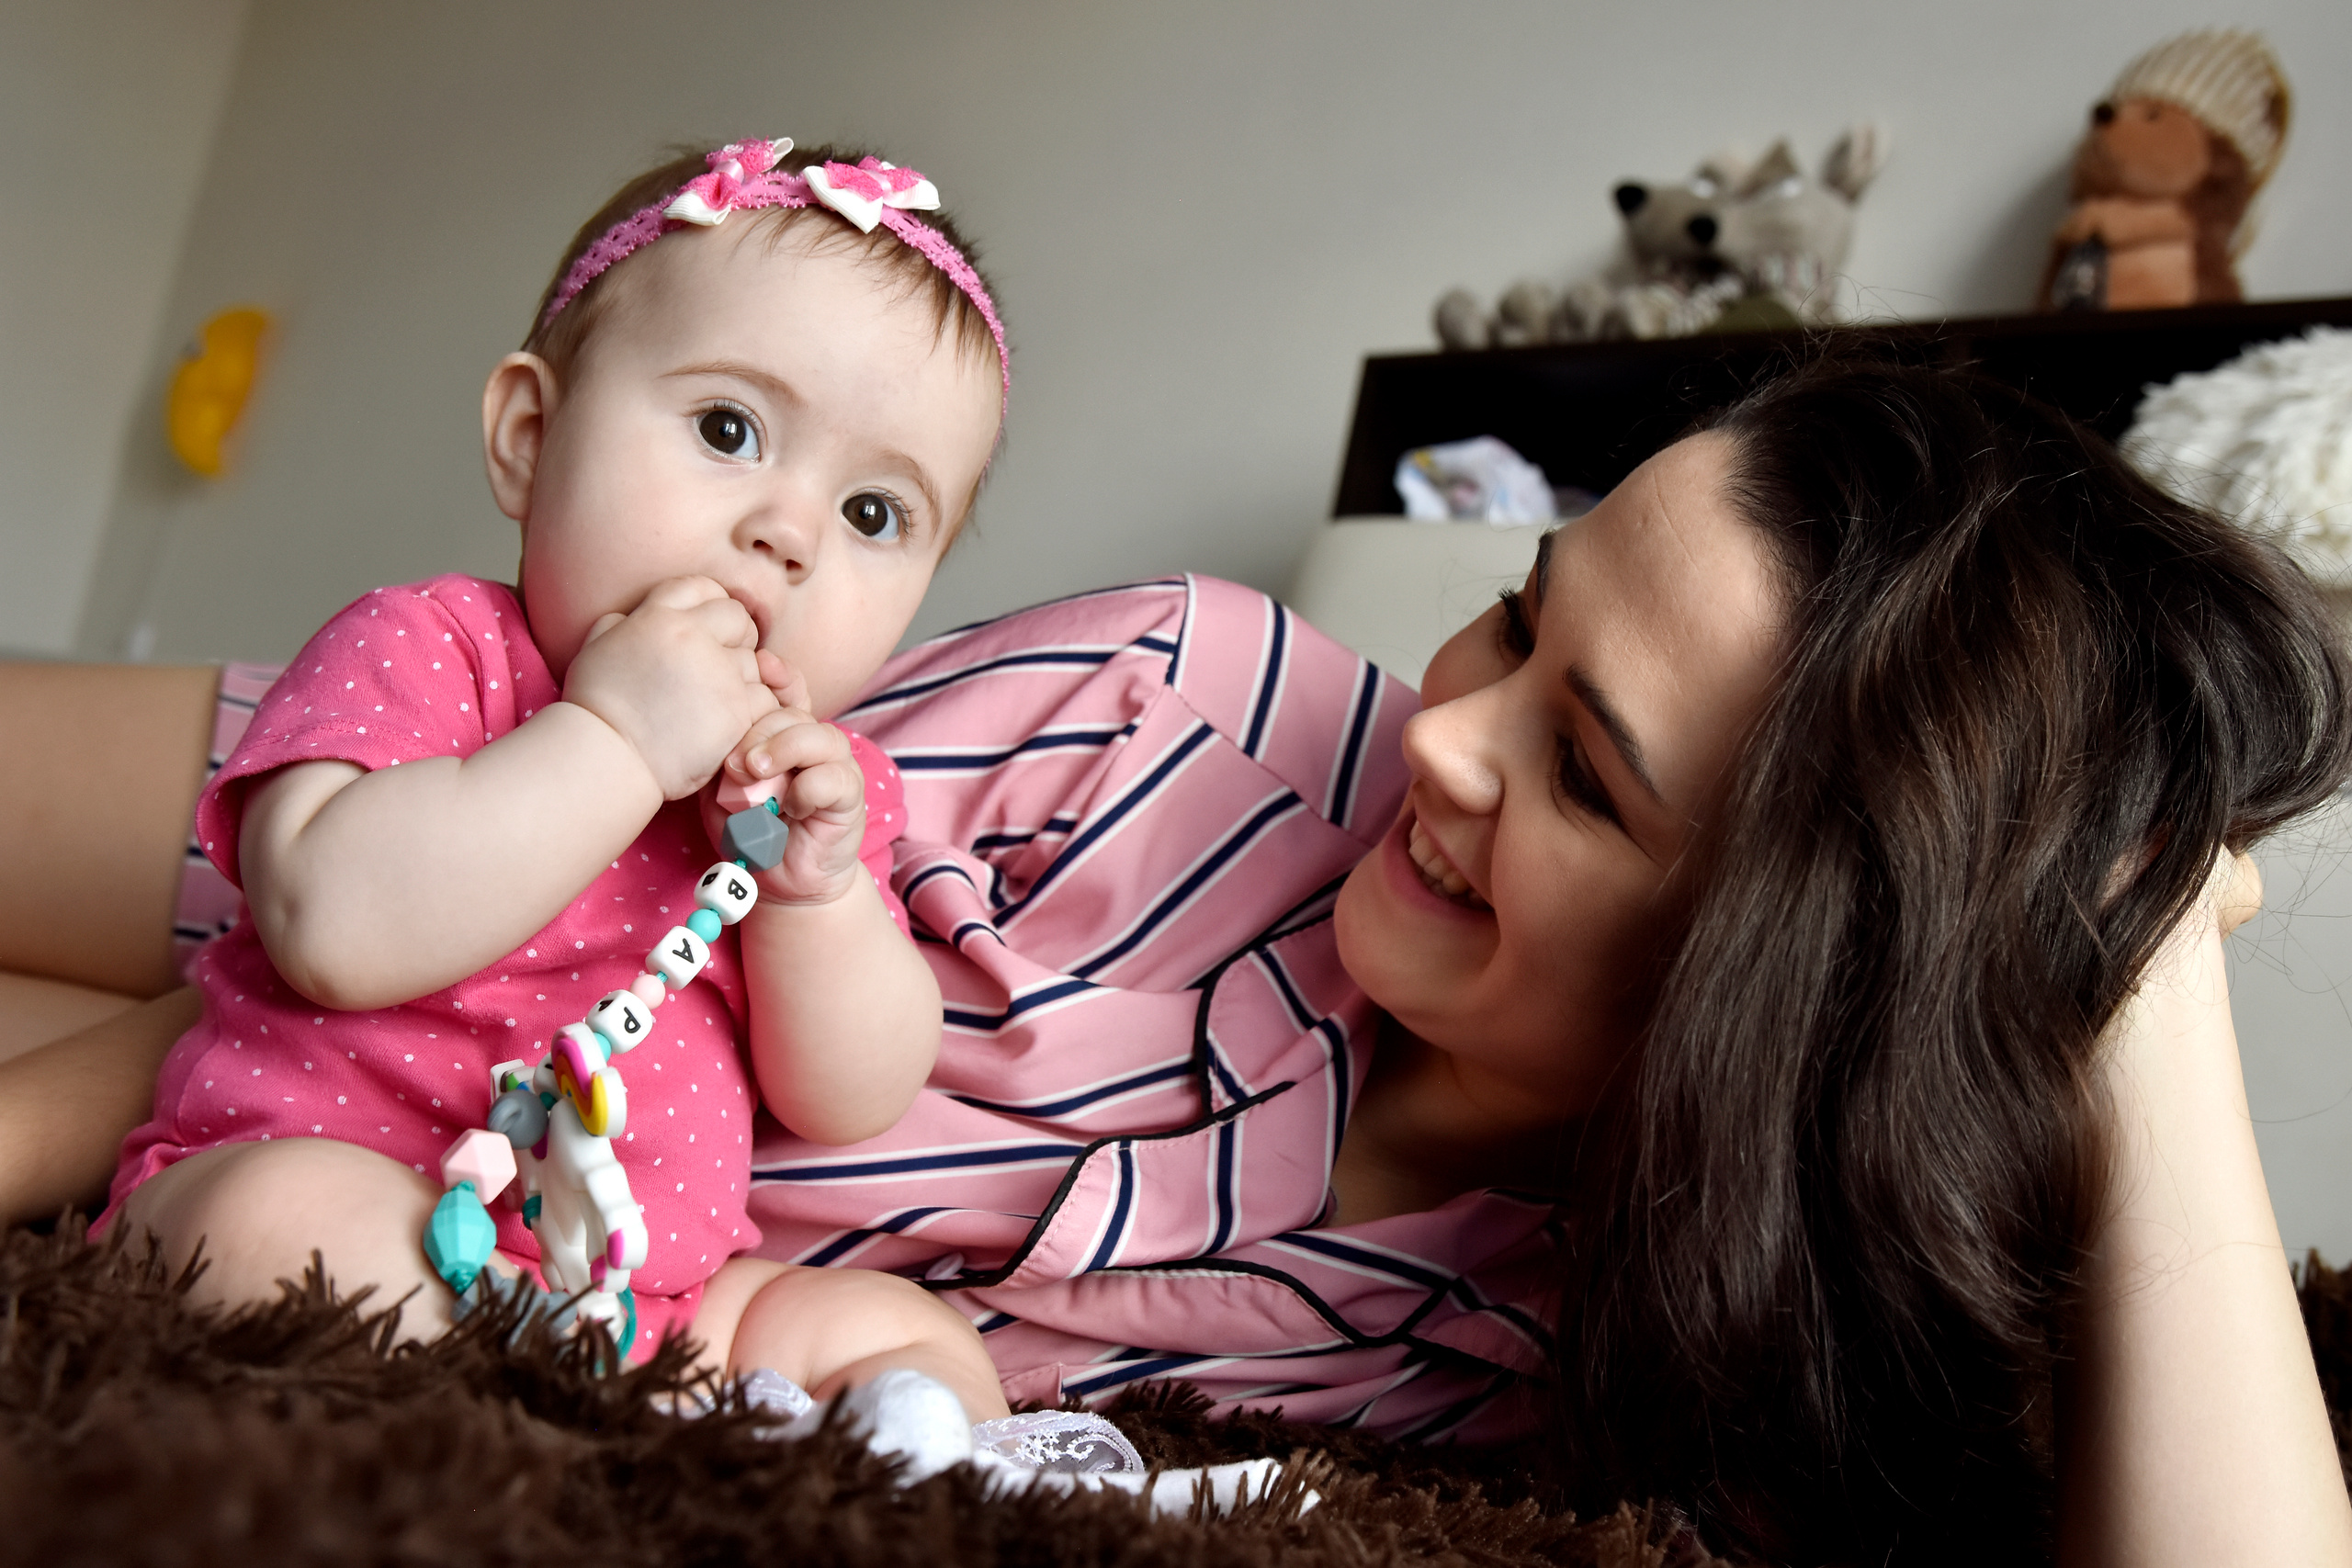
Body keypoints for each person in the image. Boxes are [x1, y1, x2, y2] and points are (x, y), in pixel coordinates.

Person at [3, 353, 2345, 1564]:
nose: (1445, 731)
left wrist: (2138, 980)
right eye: (1516, 618)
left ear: (1763, 979)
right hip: (446, 811)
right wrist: (88, 1104)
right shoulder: (1177, 699)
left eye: (1586, 771)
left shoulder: (1608, 1326)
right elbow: (480, 939)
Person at [96, 137, 1019, 1427]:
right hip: (335, 1185)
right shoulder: (429, 647)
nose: (792, 534)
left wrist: (819, 904)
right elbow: (331, 927)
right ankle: (507, 1413)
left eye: (876, 514)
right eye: (729, 429)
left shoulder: (811, 786)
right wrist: (620, 739)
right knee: (281, 1225)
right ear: (532, 440)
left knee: (897, 1331)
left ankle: (897, 1455)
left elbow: (849, 1096)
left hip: (639, 1296)